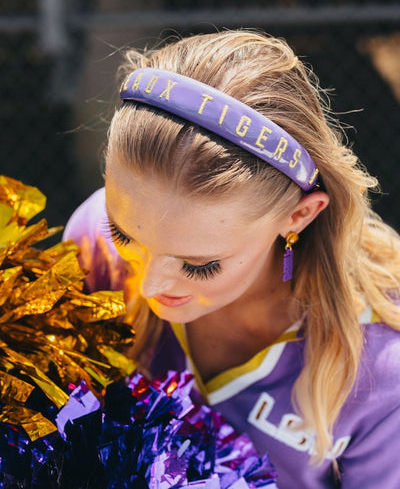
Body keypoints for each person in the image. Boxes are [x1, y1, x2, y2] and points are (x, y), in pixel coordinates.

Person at [64, 30, 400, 488]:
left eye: (200, 264)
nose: (147, 286)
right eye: (123, 232)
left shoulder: (382, 363)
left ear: (299, 215)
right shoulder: (90, 242)